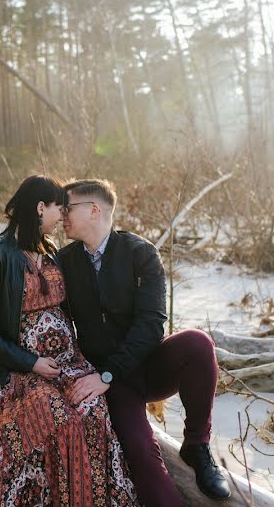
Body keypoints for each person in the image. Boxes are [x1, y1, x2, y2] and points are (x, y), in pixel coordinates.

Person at [0, 175, 138, 507]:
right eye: (61, 208)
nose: (64, 217)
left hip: (67, 365)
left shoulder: (52, 251)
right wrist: (30, 362)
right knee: (60, 420)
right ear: (41, 207)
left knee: (92, 411)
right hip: (19, 372)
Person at [58, 178, 231, 506]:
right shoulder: (64, 263)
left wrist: (107, 373)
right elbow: (59, 325)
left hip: (146, 365)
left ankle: (196, 444)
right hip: (112, 381)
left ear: (94, 210)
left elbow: (151, 325)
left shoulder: (140, 253)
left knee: (197, 342)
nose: (62, 215)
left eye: (68, 207)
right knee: (139, 448)